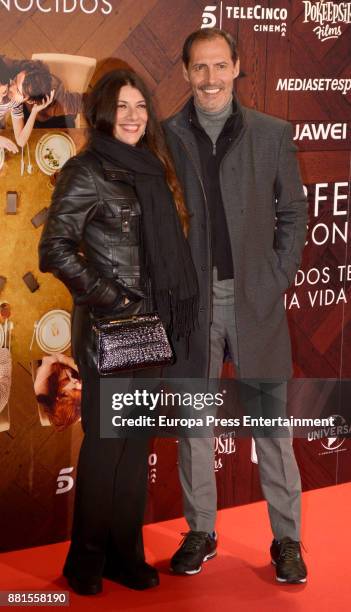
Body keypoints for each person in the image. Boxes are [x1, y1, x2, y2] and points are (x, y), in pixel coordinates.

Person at [38, 68, 198, 595]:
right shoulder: (86, 170)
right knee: (107, 445)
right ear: (104, 116)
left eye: (140, 107)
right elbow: (54, 249)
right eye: (122, 107)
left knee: (134, 447)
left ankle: (125, 556)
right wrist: (112, 296)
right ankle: (86, 559)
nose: (133, 116)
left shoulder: (153, 168)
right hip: (112, 326)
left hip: (152, 327)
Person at [163, 28, 308, 584]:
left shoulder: (272, 133)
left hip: (255, 301)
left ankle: (288, 539)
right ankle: (200, 530)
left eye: (220, 66)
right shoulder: (166, 136)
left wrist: (273, 279)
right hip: (192, 307)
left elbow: (292, 214)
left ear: (238, 67)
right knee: (194, 427)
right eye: (199, 68)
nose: (210, 79)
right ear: (184, 73)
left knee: (271, 426)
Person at [33, 354, 81, 431]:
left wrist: (66, 361)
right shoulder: (77, 404)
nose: (79, 385)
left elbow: (49, 357)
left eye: (74, 389)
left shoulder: (41, 388)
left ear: (60, 396)